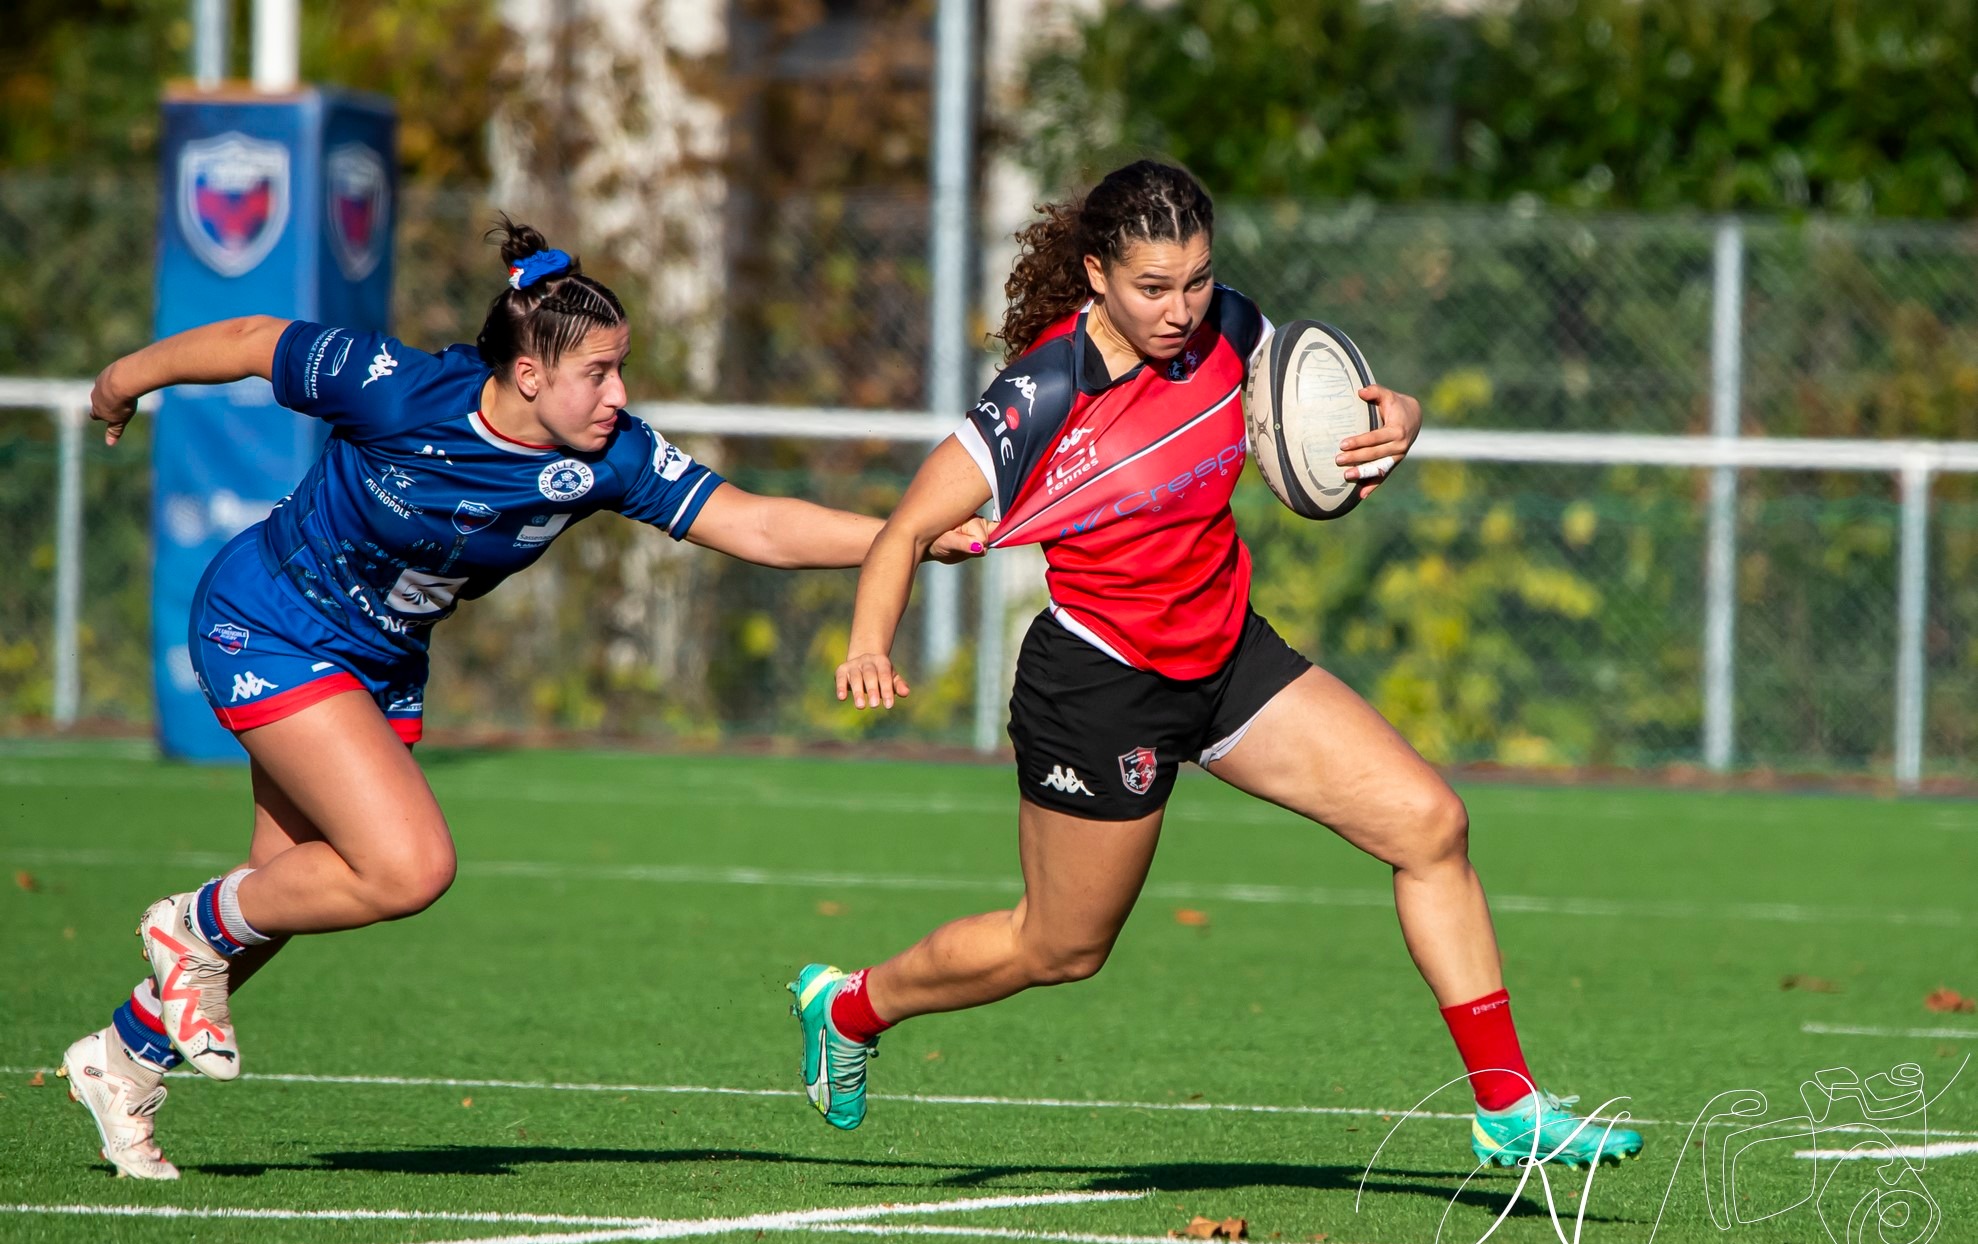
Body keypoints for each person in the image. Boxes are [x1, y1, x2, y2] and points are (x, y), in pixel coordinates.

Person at [57, 219, 988, 1180]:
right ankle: (190, 924)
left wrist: (905, 534)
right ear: (530, 376)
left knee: (291, 892)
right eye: (600, 372)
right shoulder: (398, 387)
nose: (619, 394)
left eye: (622, 369)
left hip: (376, 664)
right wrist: (128, 375)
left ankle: (120, 1058)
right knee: (405, 868)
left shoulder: (610, 455)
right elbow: (252, 340)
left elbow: (755, 523)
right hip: (269, 622)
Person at [788, 160, 1643, 1170]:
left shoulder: (1230, 327)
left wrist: (1397, 420)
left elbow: (1318, 406)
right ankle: (847, 1005)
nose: (1181, 308)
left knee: (1429, 823)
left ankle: (1506, 1104)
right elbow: (902, 532)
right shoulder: (1042, 391)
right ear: (1096, 273)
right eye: (1154, 286)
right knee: (1059, 948)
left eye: (1196, 279)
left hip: (1226, 652)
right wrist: (869, 644)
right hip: (1100, 684)